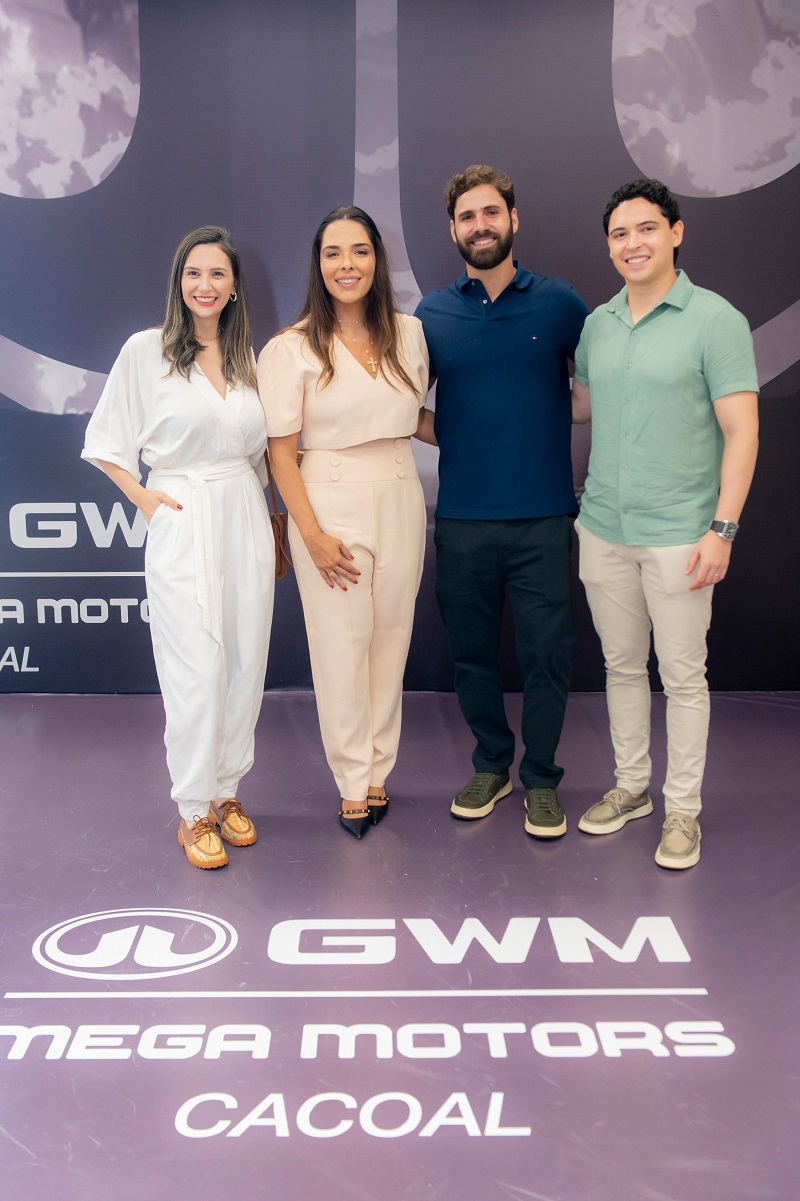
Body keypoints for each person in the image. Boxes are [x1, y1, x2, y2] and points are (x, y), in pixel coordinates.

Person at [571, 178, 759, 869]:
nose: (633, 243)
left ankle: (682, 810)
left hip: (683, 533)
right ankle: (631, 788)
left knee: (682, 677)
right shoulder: (597, 323)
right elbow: (580, 407)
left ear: (676, 233)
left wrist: (722, 529)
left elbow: (743, 432)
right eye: (619, 234)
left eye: (646, 228)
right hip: (602, 528)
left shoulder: (716, 320)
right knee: (621, 667)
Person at [82, 226, 275, 869]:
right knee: (195, 665)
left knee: (245, 658)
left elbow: (260, 453)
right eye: (194, 273)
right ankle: (193, 808)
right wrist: (143, 497)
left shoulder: (247, 359)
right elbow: (106, 440)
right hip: (183, 513)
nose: (205, 285)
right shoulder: (146, 351)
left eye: (218, 273)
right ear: (178, 282)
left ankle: (226, 790)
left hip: (243, 512)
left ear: (235, 286)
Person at [414, 164, 589, 837]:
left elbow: (600, 384)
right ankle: (491, 764)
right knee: (472, 654)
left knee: (548, 655)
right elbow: (402, 406)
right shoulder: (431, 315)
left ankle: (541, 778)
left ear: (514, 220)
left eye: (491, 213)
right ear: (452, 230)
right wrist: (459, 432)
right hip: (462, 520)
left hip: (544, 517)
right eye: (467, 216)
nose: (480, 225)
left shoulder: (560, 304)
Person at [257, 205, 428, 839]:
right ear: (318, 264)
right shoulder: (291, 348)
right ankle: (352, 780)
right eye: (333, 253)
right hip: (327, 500)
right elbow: (280, 451)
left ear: (377, 259)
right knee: (340, 646)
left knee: (391, 639)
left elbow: (417, 419)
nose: (347, 264)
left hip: (401, 491)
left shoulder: (410, 334)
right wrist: (312, 534)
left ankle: (380, 769)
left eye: (359, 250)